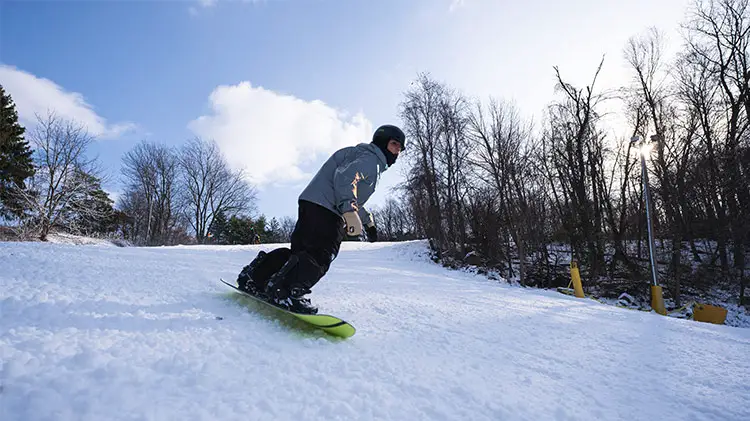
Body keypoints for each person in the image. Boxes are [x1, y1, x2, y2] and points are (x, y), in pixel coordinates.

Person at [235, 124, 406, 314]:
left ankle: (255, 277)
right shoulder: (372, 159)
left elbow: (351, 191)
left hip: (313, 202)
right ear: (383, 142)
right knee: (321, 255)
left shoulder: (362, 155)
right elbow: (345, 177)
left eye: (400, 148)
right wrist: (348, 211)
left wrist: (368, 221)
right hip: (327, 208)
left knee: (299, 254)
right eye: (394, 144)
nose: (397, 151)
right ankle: (288, 292)